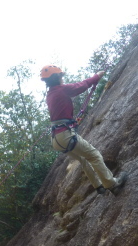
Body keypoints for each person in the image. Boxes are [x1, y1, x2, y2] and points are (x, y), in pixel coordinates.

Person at [40, 65, 127, 196]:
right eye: (61, 76)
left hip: (56, 139)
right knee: (94, 155)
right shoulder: (60, 90)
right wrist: (97, 76)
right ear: (57, 77)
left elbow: (61, 114)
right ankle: (112, 184)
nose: (62, 79)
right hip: (65, 135)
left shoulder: (50, 94)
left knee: (83, 159)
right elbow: (81, 86)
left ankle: (98, 186)